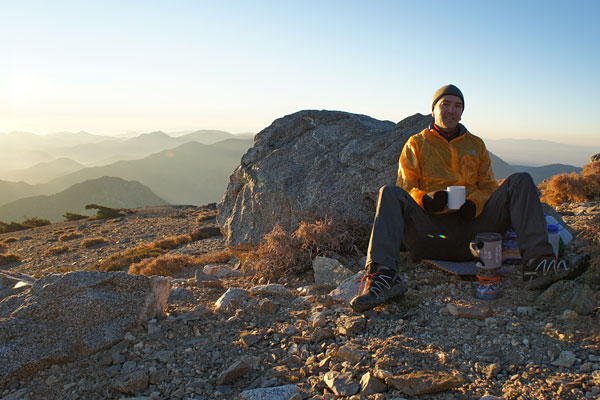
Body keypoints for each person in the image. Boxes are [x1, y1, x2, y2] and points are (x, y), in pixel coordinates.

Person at [350, 84, 568, 312]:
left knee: (521, 180)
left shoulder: (476, 145)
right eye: (445, 104)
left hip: (475, 237)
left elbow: (488, 187)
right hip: (431, 235)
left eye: (458, 106)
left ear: (462, 112)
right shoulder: (416, 144)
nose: (451, 110)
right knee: (390, 192)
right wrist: (427, 199)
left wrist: (474, 203)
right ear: (433, 109)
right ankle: (382, 277)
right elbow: (406, 187)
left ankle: (538, 264)